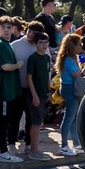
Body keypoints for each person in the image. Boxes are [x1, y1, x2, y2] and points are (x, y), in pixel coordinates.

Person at [0, 17, 24, 164]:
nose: (7, 30)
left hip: (10, 90)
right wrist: (18, 65)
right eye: (4, 27)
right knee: (2, 122)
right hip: (3, 91)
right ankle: (3, 152)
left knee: (0, 121)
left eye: (9, 27)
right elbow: (4, 66)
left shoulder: (6, 43)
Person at [23, 32, 53, 160]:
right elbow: (29, 78)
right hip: (34, 95)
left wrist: (49, 91)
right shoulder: (33, 58)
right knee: (35, 123)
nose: (43, 45)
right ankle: (34, 150)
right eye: (40, 43)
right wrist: (34, 96)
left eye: (45, 42)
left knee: (39, 122)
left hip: (44, 94)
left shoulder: (47, 57)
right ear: (36, 44)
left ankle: (35, 148)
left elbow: (47, 75)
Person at [55, 32, 83, 156]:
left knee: (73, 118)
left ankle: (76, 144)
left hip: (68, 88)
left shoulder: (67, 58)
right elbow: (77, 75)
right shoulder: (69, 60)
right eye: (79, 44)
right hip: (70, 89)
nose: (81, 46)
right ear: (72, 46)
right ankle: (64, 146)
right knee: (69, 118)